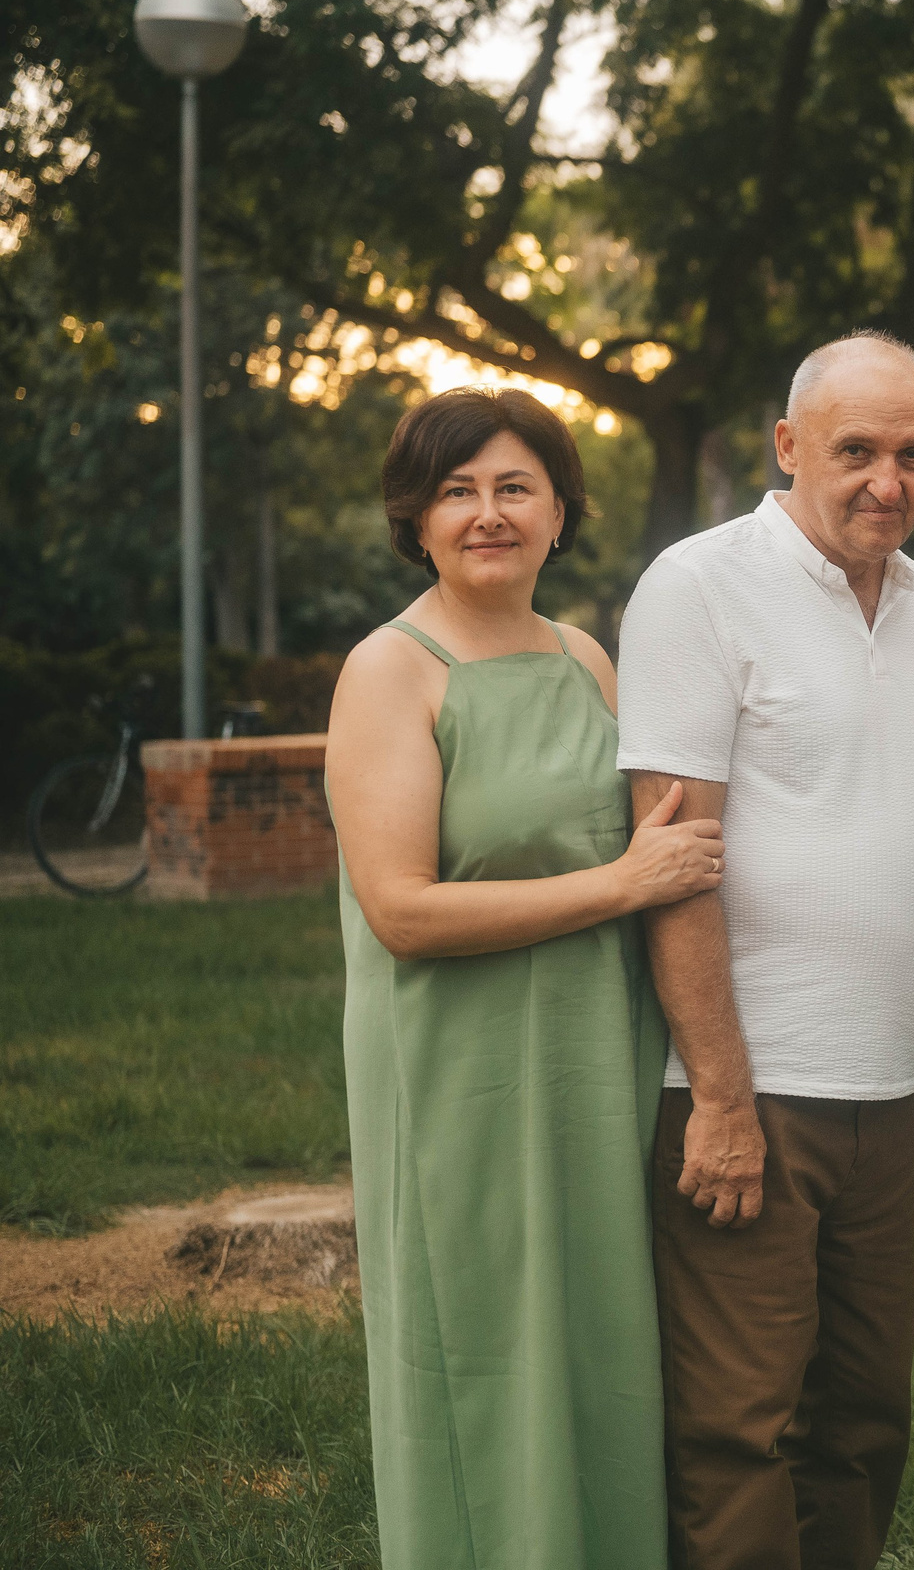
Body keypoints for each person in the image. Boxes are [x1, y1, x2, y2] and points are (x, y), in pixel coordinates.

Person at [329, 387, 725, 1570]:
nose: (487, 513)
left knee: (600, 1339)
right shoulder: (390, 671)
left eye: (514, 487)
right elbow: (401, 910)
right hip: (459, 1066)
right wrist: (625, 883)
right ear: (416, 517)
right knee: (485, 1344)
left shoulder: (586, 656)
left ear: (560, 511)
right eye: (457, 490)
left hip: (591, 1058)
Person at [615, 332, 914, 1570]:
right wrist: (717, 1094)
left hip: (885, 1090)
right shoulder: (698, 584)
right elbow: (674, 860)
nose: (888, 479)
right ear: (785, 446)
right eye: (856, 450)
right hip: (751, 1091)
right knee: (738, 1431)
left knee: (863, 1423)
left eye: (912, 452)